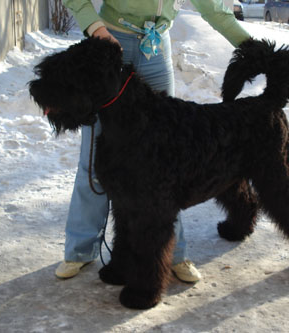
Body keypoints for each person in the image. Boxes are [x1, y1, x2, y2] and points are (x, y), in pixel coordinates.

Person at [56, 0, 251, 283]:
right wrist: (95, 27)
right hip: (107, 42)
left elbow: (213, 8)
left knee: (167, 165)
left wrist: (252, 47)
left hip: (155, 48)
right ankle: (80, 250)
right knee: (93, 165)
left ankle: (174, 255)